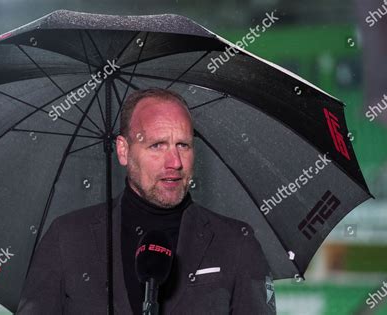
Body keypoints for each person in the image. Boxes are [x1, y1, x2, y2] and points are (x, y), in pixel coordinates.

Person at [16, 88, 276, 314]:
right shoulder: (67, 238)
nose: (175, 162)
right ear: (123, 150)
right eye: (157, 146)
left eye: (183, 145)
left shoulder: (235, 242)